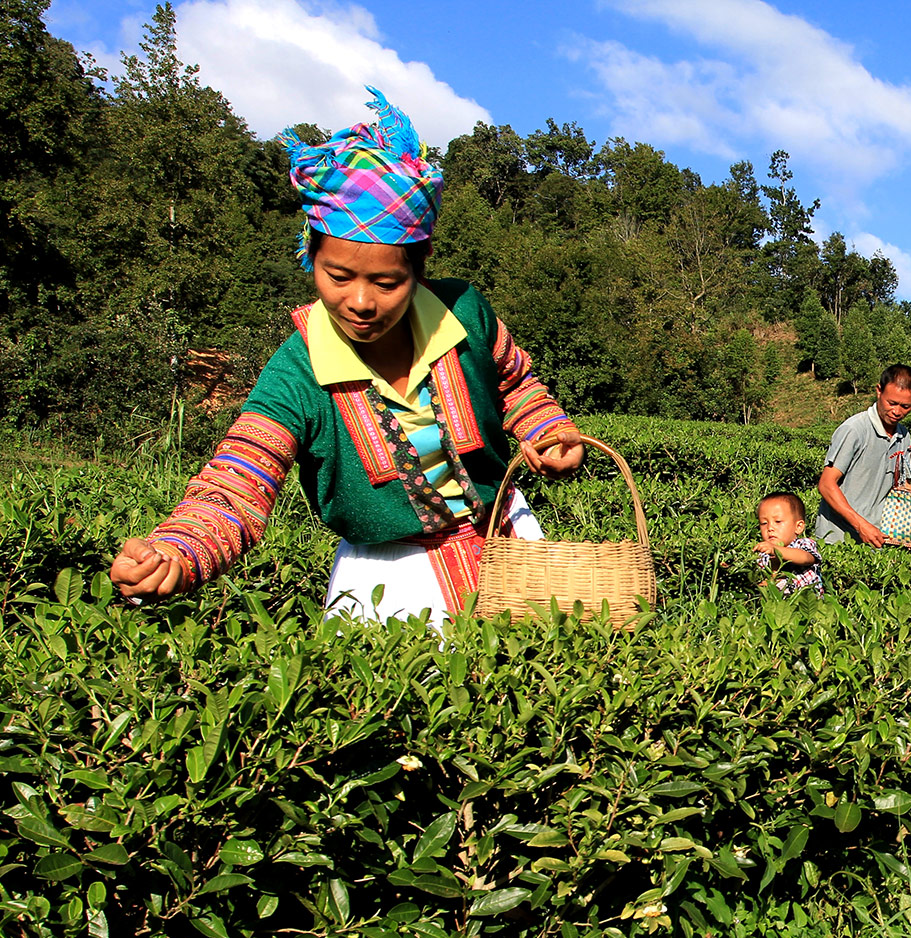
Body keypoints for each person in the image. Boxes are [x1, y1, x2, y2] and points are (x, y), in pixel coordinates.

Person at [107, 88, 584, 624]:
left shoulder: (466, 315)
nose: (360, 302)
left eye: (386, 282)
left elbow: (513, 381)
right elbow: (237, 479)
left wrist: (545, 430)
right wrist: (179, 551)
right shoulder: (298, 373)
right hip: (391, 582)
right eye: (337, 276)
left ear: (418, 268)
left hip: (511, 544)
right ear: (310, 256)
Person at [816, 364, 911, 546]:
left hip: (877, 540)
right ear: (879, 391)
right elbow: (826, 484)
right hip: (838, 541)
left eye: (905, 406)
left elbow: (904, 486)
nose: (897, 412)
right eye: (892, 403)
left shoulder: (904, 436)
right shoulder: (854, 430)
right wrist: (861, 526)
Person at [755, 491, 823, 595]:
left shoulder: (802, 544)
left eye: (778, 521)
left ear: (798, 527)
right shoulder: (764, 553)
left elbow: (806, 558)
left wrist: (776, 551)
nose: (770, 528)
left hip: (807, 604)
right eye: (764, 523)